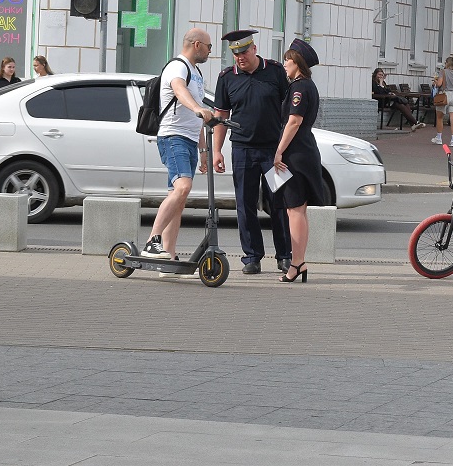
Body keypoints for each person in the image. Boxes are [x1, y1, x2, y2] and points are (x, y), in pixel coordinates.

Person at [212, 29, 292, 275]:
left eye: (244, 52)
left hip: (273, 151)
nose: (240, 57)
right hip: (242, 150)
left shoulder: (275, 71)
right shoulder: (227, 78)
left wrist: (286, 147)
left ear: (254, 49)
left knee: (279, 202)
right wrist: (217, 151)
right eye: (236, 54)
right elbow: (221, 116)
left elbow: (289, 110)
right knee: (245, 205)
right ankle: (252, 257)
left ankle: (285, 256)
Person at [140, 29, 216, 260]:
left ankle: (169, 257)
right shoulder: (178, 66)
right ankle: (152, 241)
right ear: (197, 45)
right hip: (173, 137)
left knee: (178, 199)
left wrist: (203, 150)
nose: (210, 51)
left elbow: (197, 116)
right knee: (183, 187)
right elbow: (180, 91)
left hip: (189, 140)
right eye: (209, 47)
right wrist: (198, 108)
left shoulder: (196, 72)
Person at [272, 39, 329, 283]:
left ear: (297, 62)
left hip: (295, 154)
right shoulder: (306, 85)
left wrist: (278, 152)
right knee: (298, 210)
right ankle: (299, 262)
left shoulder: (299, 88)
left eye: (287, 59)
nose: (285, 63)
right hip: (304, 151)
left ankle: (296, 263)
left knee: (294, 209)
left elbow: (293, 121)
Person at [431, 57, 453, 146]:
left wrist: (435, 82)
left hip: (444, 95)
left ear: (446, 63)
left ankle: (439, 138)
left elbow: (439, 84)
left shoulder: (443, 72)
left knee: (439, 117)